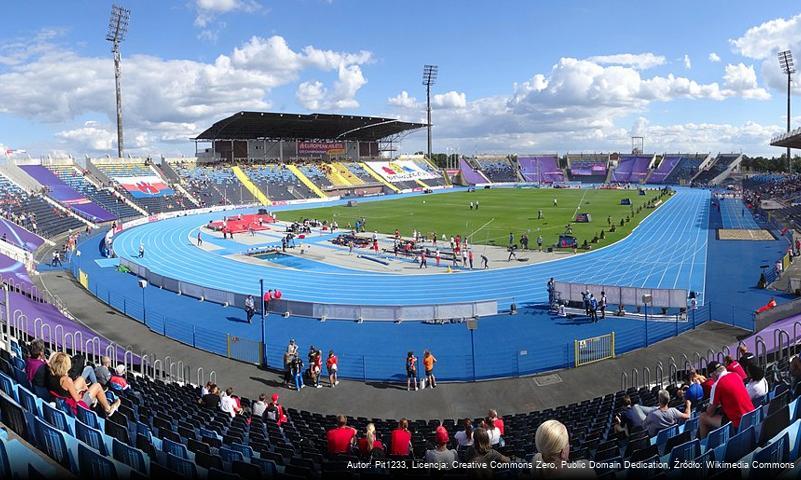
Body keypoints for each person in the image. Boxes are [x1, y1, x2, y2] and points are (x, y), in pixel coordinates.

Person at [47, 352, 120, 416]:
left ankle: (93, 398)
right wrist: (80, 392)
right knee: (97, 386)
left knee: (81, 379)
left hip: (63, 397)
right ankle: (108, 409)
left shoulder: (51, 375)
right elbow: (77, 400)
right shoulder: (67, 380)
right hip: (77, 407)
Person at [699, 363, 755, 438]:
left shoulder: (717, 385)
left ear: (713, 374)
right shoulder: (736, 375)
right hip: (752, 416)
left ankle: (703, 445)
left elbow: (710, 412)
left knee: (703, 417)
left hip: (738, 423)